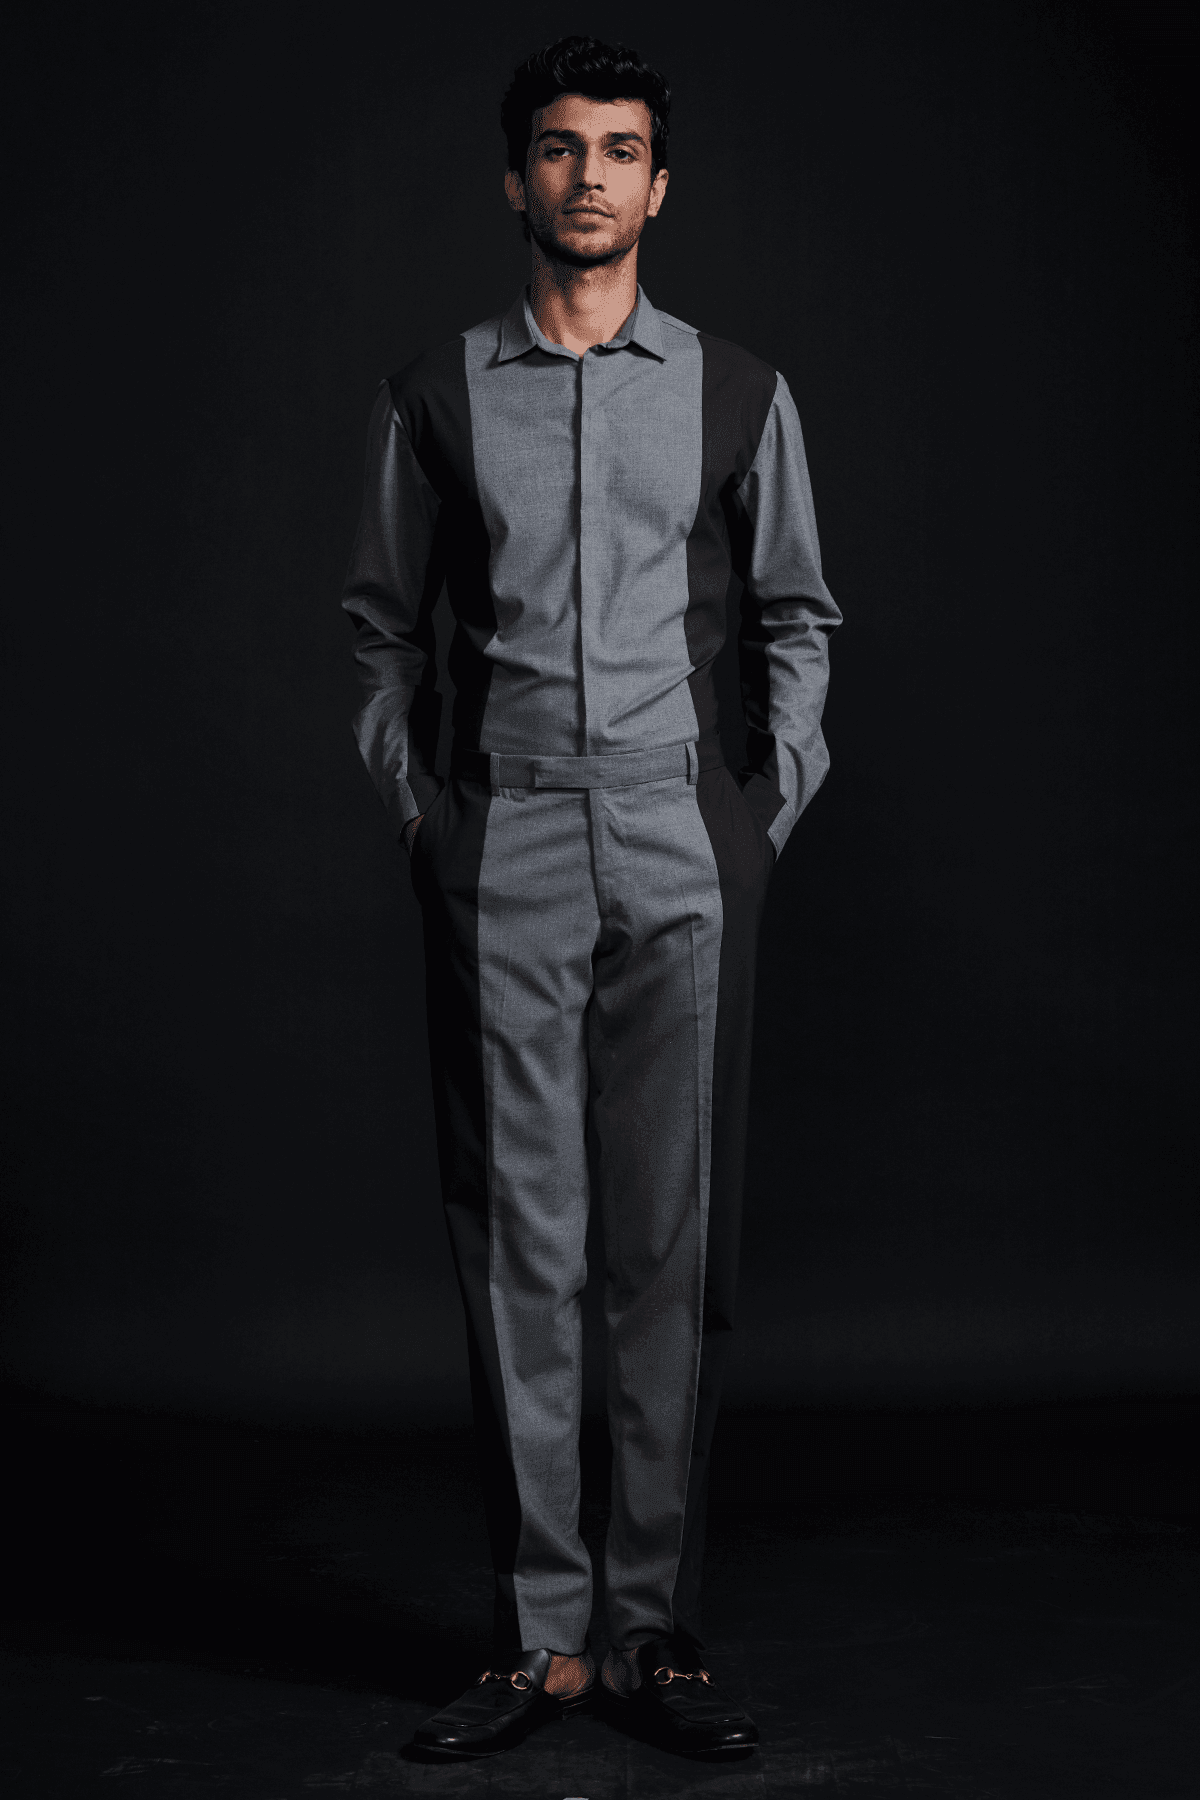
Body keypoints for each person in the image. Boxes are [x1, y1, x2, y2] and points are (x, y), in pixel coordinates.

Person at [342, 33, 840, 1761]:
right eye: (560, 148)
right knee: (521, 1245)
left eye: (620, 149)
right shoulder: (434, 391)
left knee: (668, 1247)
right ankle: (540, 1639)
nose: (589, 176)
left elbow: (797, 616)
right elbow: (379, 628)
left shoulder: (736, 390)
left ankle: (651, 1633)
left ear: (659, 185)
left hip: (679, 839)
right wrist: (426, 816)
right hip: (508, 844)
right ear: (516, 178)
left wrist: (759, 817)